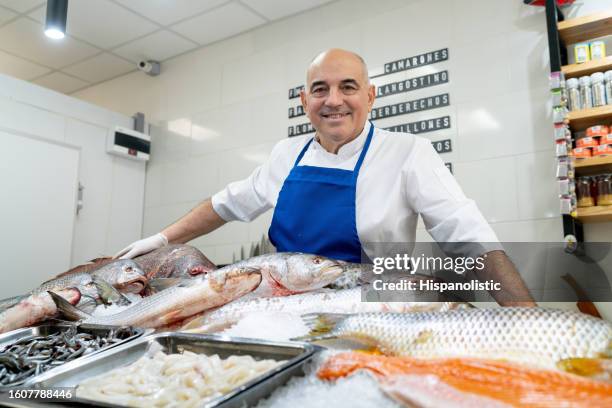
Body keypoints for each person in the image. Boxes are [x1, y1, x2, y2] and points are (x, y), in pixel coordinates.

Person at [116, 49, 535, 307]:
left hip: (373, 308)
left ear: (370, 96)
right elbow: (225, 204)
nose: (333, 101)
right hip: (283, 307)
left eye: (348, 87)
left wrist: (524, 316)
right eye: (320, 89)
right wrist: (161, 240)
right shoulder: (286, 154)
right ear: (304, 101)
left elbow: (467, 235)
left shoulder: (409, 152)